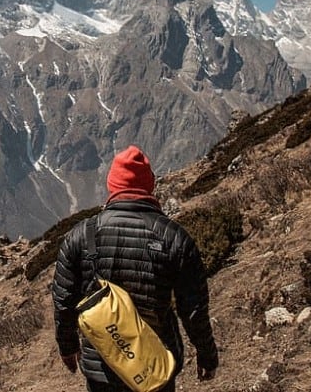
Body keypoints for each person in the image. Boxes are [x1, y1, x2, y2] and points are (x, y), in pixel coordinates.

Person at [52, 145, 219, 391]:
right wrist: (206, 354)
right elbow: (193, 308)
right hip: (154, 363)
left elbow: (64, 300)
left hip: (102, 363)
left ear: (112, 185)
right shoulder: (173, 238)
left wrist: (68, 347)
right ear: (148, 185)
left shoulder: (81, 235)